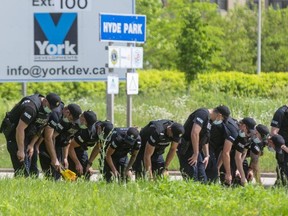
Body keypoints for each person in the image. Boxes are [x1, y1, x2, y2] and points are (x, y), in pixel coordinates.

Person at [0, 93, 61, 177]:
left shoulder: (48, 108)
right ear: (45, 101)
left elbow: (41, 127)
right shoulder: (31, 108)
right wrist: (21, 150)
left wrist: (32, 145)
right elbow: (19, 129)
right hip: (15, 133)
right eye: (50, 107)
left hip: (28, 133)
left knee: (33, 169)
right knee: (22, 169)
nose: (51, 110)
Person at [177, 105, 230, 183]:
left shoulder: (210, 121)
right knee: (192, 178)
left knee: (202, 179)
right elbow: (194, 133)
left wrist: (207, 155)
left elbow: (205, 139)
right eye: (222, 119)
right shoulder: (202, 114)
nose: (220, 121)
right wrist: (195, 153)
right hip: (187, 149)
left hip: (195, 150)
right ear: (219, 115)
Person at [38, 103, 82, 180]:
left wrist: (65, 158)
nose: (71, 122)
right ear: (67, 112)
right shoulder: (56, 115)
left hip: (55, 143)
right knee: (50, 172)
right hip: (43, 141)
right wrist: (54, 158)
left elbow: (67, 140)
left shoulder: (68, 120)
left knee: (58, 171)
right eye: (71, 119)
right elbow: (49, 137)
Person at [206, 110, 238, 183]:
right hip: (208, 143)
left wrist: (218, 167)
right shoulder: (234, 132)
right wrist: (228, 173)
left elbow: (223, 150)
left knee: (214, 171)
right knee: (212, 173)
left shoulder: (232, 128)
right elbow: (225, 153)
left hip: (214, 144)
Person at [67, 111, 98, 178]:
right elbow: (70, 147)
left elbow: (98, 147)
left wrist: (89, 164)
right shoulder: (79, 127)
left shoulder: (97, 130)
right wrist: (77, 163)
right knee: (72, 175)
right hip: (69, 148)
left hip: (81, 148)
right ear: (82, 118)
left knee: (87, 172)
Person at [270, 104, 288, 185]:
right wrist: (284, 147)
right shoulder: (280, 113)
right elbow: (273, 133)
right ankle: (281, 185)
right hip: (282, 146)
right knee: (283, 167)